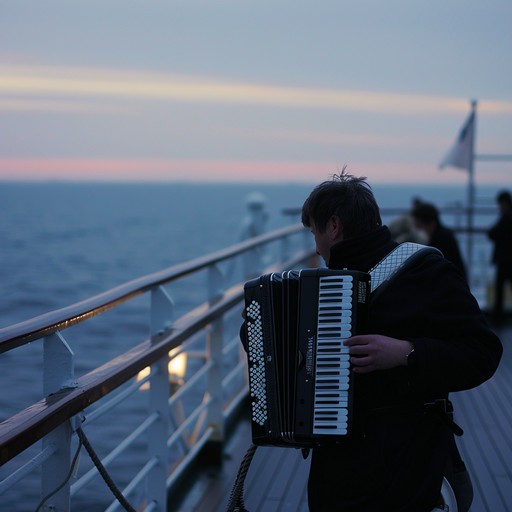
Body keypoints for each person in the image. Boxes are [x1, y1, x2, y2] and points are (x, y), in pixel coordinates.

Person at [298, 171, 502, 511]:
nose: (316, 247)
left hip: (406, 467)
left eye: (314, 233)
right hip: (340, 470)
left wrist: (407, 352)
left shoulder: (425, 272)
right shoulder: (318, 290)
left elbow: (483, 352)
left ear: (333, 227)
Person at [410, 201, 467, 279]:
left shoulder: (442, 240)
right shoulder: (443, 235)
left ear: (431, 224)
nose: (416, 229)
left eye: (419, 225)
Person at [487, 190, 512, 322]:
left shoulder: (506, 216)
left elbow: (493, 233)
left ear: (504, 203)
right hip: (508, 259)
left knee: (499, 289)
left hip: (505, 260)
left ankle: (498, 318)